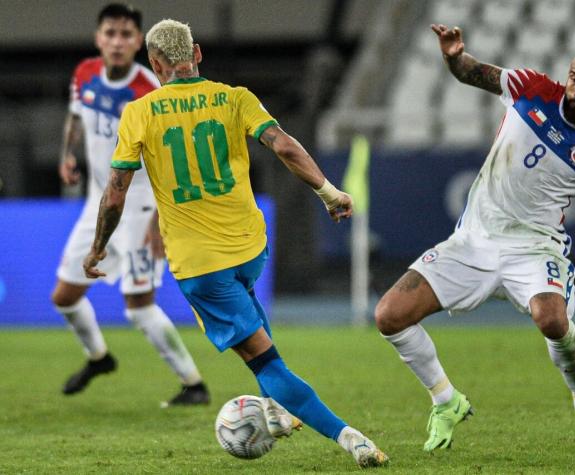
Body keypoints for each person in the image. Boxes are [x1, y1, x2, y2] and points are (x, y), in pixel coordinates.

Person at [82, 19, 388, 468]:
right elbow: (283, 146)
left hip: (201, 265)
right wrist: (330, 192)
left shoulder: (140, 112)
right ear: (198, 54)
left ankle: (349, 437)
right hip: (250, 249)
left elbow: (116, 191)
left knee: (266, 364)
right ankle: (278, 414)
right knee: (264, 344)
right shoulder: (235, 97)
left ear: (154, 64)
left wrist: (98, 247)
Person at [375, 24, 575, 452]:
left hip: (535, 247)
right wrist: (453, 56)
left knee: (552, 319)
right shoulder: (530, 88)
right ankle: (445, 400)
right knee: (389, 315)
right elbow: (471, 73)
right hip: (473, 241)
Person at [52, 3, 209, 407]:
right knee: (64, 298)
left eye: (126, 35)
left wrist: (160, 218)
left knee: (139, 308)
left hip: (141, 209)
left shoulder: (151, 91)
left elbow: (172, 159)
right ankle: (99, 358)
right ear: (98, 38)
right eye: (110, 33)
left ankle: (193, 384)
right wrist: (68, 155)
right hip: (98, 206)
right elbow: (75, 117)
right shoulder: (84, 74)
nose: (118, 42)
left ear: (139, 42)